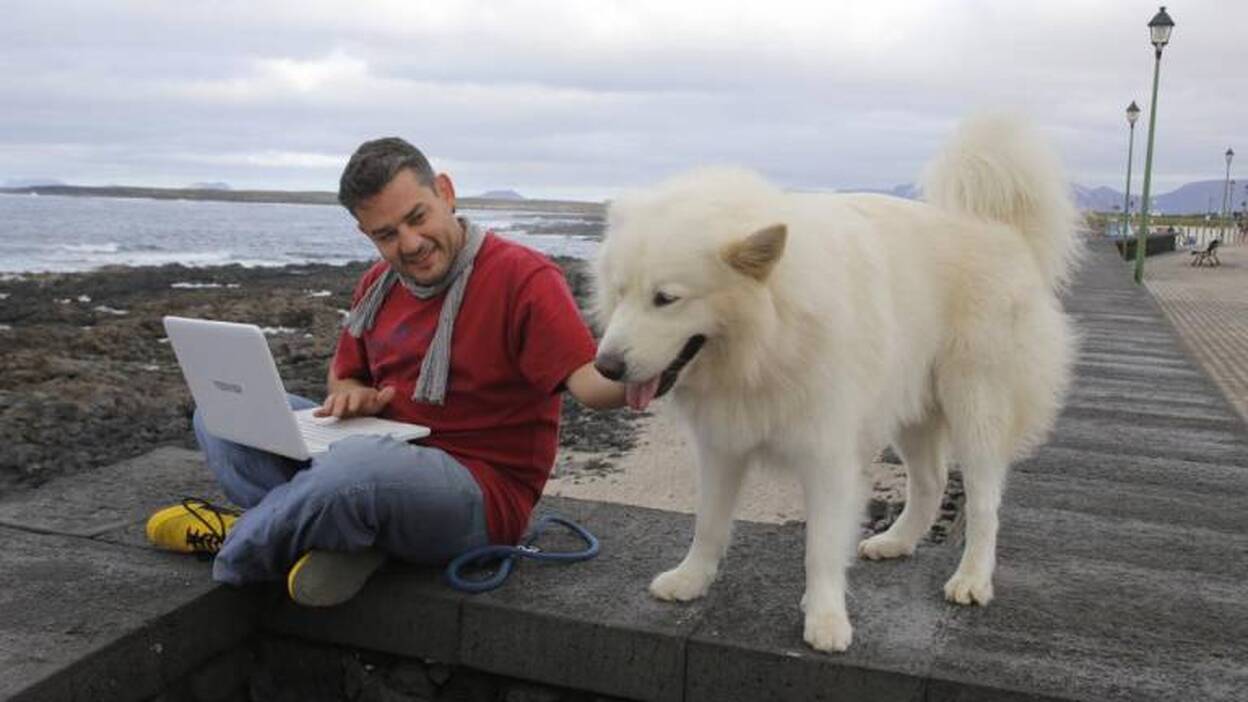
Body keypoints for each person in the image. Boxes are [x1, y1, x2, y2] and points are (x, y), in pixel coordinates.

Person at [146, 138, 626, 605]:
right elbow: (345, 377)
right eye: (387, 235)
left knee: (354, 471)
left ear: (445, 191)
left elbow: (591, 385)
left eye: (417, 218)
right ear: (366, 234)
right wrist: (352, 396)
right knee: (220, 418)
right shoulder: (378, 284)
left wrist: (648, 361)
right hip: (378, 456)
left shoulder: (525, 277)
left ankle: (237, 544)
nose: (410, 244)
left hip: (480, 493)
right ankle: (345, 538)